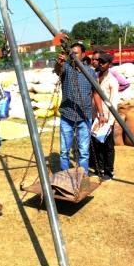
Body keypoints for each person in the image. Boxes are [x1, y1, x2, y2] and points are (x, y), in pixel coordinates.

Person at [54, 42, 106, 175]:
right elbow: (58, 70)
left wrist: (101, 113)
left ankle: (83, 177)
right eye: (71, 53)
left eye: (75, 53)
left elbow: (95, 93)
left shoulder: (90, 72)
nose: (72, 55)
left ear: (83, 54)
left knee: (84, 150)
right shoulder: (66, 68)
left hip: (85, 115)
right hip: (67, 115)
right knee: (64, 150)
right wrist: (59, 63)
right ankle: (64, 177)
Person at [91, 54, 119, 181]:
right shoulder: (96, 77)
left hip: (107, 117)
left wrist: (111, 121)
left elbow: (114, 102)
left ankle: (109, 171)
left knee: (108, 145)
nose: (101, 64)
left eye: (104, 62)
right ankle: (99, 169)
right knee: (97, 144)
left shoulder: (112, 81)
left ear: (109, 64)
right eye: (100, 62)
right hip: (96, 116)